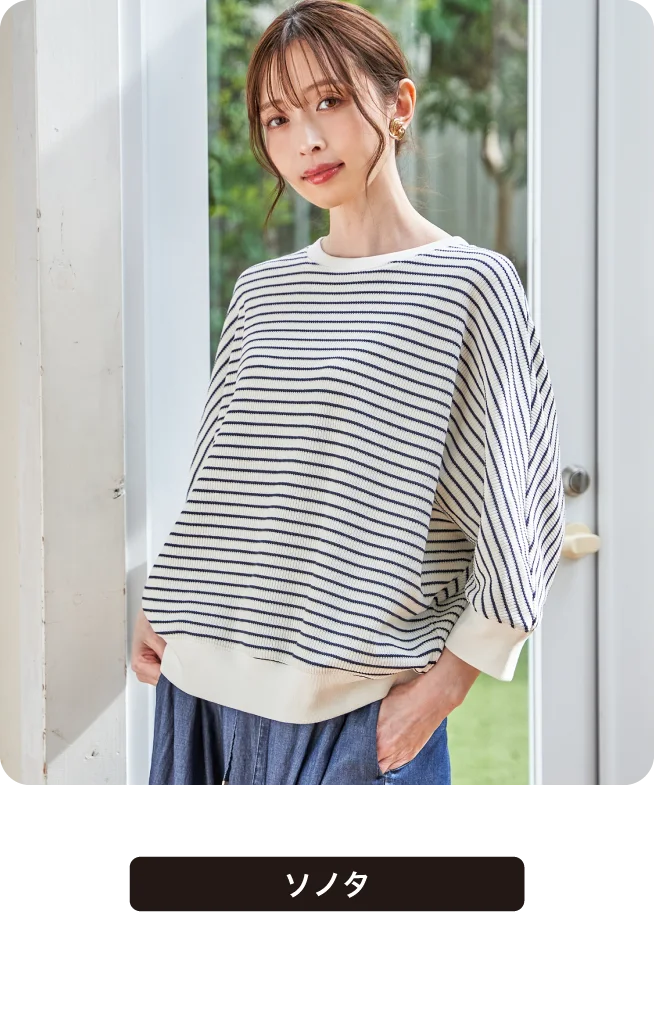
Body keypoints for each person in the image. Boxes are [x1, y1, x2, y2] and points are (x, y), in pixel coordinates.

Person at [130, 0, 565, 789]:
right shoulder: (261, 293)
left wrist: (443, 687)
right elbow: (223, 485)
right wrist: (169, 605)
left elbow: (519, 508)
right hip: (200, 690)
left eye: (328, 101)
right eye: (277, 118)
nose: (305, 139)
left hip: (355, 712)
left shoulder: (468, 286)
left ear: (398, 104)